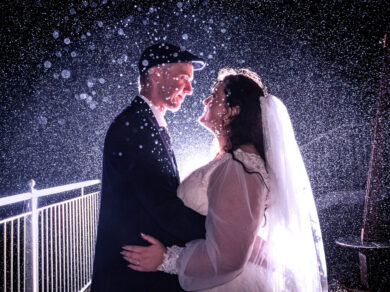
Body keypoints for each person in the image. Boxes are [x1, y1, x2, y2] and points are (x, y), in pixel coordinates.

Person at [121, 68, 328, 291]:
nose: (206, 100)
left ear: (233, 111)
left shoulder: (240, 168)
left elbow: (228, 258)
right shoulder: (230, 160)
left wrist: (166, 259)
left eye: (216, 96)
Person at [91, 43, 207, 291]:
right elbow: (162, 204)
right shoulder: (135, 127)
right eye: (184, 78)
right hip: (132, 274)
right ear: (156, 73)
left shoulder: (146, 122)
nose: (189, 89)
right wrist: (217, 232)